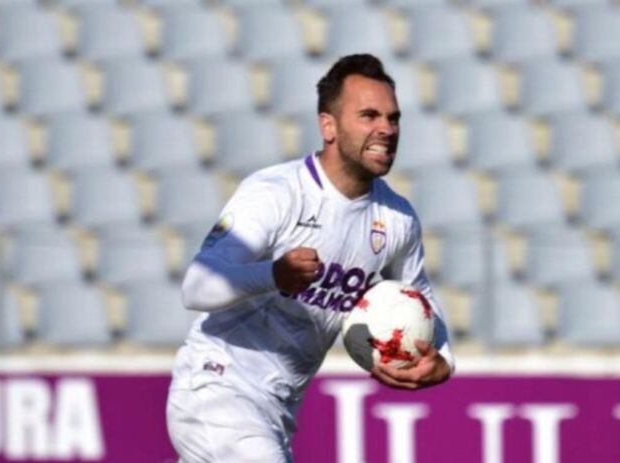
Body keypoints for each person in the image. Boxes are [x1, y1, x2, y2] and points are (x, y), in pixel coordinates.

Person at [166, 54, 455, 462]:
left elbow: (420, 297)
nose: (386, 130)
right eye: (369, 115)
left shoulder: (397, 219)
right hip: (218, 388)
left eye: (393, 118)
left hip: (278, 408)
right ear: (328, 126)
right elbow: (196, 288)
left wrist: (442, 361)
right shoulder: (275, 193)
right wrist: (274, 274)